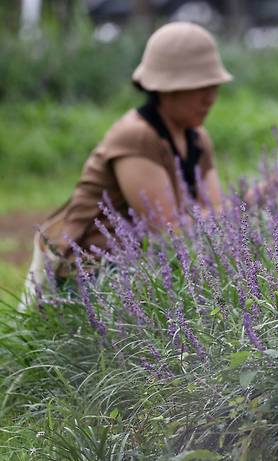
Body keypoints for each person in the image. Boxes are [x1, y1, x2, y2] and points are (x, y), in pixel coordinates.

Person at [19, 22, 233, 310]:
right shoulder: (137, 137)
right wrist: (223, 214)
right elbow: (170, 230)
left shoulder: (197, 138)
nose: (210, 98)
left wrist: (257, 199)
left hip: (148, 269)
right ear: (167, 87)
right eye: (199, 87)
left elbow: (216, 214)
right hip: (89, 276)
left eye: (213, 87)